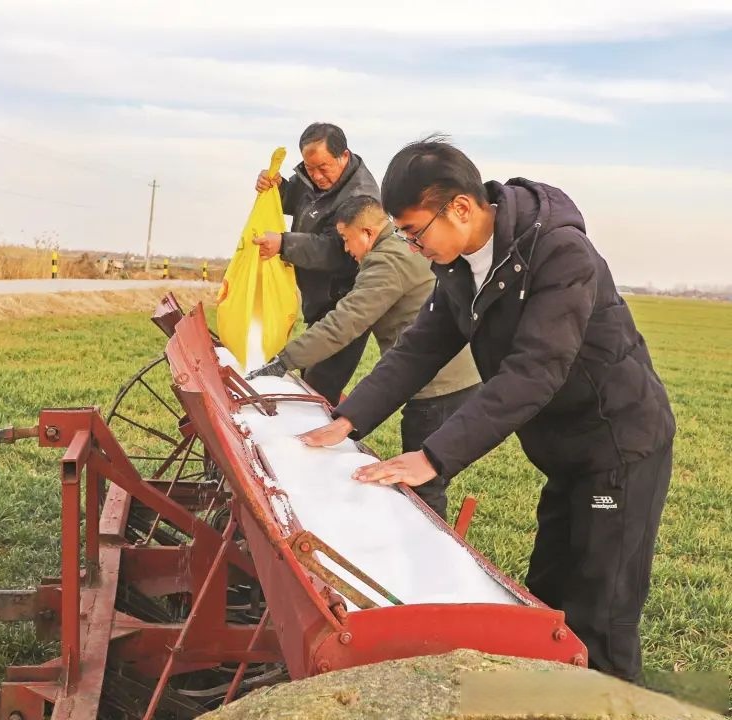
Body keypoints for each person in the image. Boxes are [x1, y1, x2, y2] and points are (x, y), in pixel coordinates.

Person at [298, 136, 675, 683]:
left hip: (618, 445)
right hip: (565, 452)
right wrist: (348, 419)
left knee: (602, 614)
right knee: (547, 602)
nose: (412, 247)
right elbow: (421, 347)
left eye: (414, 232)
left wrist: (432, 457)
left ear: (460, 207)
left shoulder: (560, 253)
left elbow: (534, 371)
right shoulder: (459, 266)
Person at [245, 194, 480, 520]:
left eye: (345, 238)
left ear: (367, 233)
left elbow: (345, 322)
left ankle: (427, 540)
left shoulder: (387, 262)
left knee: (423, 484)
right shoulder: (398, 248)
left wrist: (284, 361)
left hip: (441, 384)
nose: (346, 249)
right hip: (446, 372)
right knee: (420, 476)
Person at [251, 122, 380, 404]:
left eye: (323, 167)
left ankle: (338, 426)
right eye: (310, 169)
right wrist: (277, 187)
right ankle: (337, 420)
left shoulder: (361, 197)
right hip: (317, 303)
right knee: (311, 381)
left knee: (317, 387)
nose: (317, 176)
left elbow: (337, 250)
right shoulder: (312, 176)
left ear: (343, 156)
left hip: (344, 305)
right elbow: (298, 201)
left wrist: (284, 244)